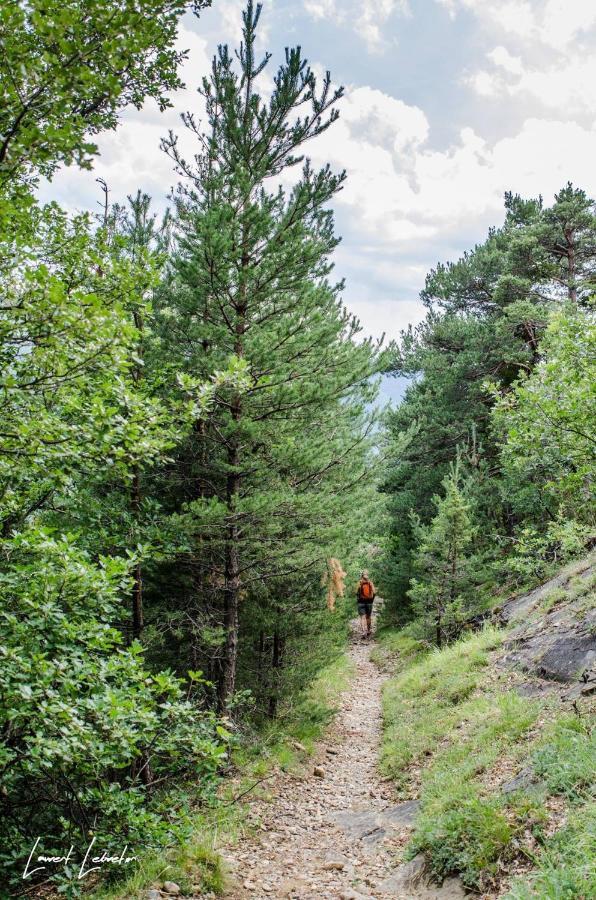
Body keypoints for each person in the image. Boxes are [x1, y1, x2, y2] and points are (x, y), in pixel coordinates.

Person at [356, 570, 376, 638]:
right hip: (369, 602)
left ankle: (364, 631)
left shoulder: (359, 583)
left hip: (361, 602)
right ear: (367, 576)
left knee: (362, 617)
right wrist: (372, 600)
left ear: (362, 576)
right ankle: (368, 631)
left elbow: (356, 592)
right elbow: (374, 592)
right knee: (368, 616)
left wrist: (358, 599)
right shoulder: (370, 583)